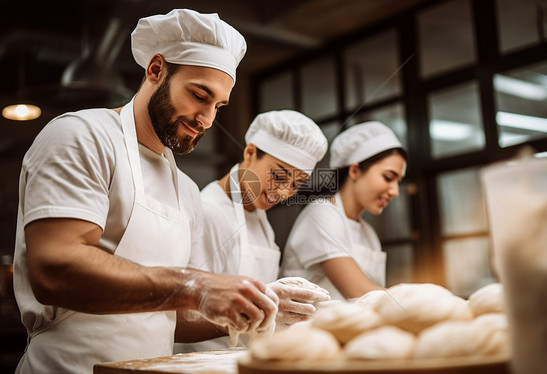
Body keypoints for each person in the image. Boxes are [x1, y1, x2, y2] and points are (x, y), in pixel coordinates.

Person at [13, 9, 278, 374]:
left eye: (218, 105)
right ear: (156, 70)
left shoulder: (185, 190)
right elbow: (55, 269)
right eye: (200, 95)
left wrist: (254, 307)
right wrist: (196, 286)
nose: (207, 120)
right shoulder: (82, 136)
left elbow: (170, 316)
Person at [185, 110, 331, 351]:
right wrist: (261, 309)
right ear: (250, 152)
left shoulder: (259, 217)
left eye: (296, 184)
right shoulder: (209, 211)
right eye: (278, 175)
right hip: (206, 362)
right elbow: (185, 313)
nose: (283, 192)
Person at [280, 121, 408, 300]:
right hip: (311, 328)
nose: (395, 191)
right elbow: (360, 293)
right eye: (388, 178)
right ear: (355, 171)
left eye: (398, 182)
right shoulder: (321, 214)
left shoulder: (368, 233)